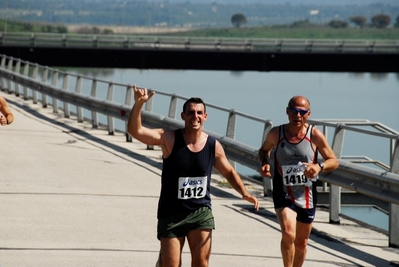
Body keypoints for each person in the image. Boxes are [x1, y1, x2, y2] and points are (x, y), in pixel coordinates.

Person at [127, 85, 259, 267]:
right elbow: (136, 131)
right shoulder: (169, 138)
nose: (195, 117)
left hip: (200, 212)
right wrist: (139, 105)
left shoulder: (213, 145)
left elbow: (228, 171)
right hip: (171, 214)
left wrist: (244, 193)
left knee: (201, 264)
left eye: (199, 113)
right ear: (183, 116)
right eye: (190, 113)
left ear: (205, 116)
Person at [258, 96, 338, 267]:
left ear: (308, 114)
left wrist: (318, 166)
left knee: (301, 243)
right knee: (288, 233)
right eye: (294, 111)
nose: (298, 115)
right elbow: (263, 150)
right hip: (283, 192)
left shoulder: (314, 135)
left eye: (302, 112)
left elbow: (333, 160)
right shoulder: (276, 134)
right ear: (287, 111)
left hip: (307, 195)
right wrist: (264, 163)